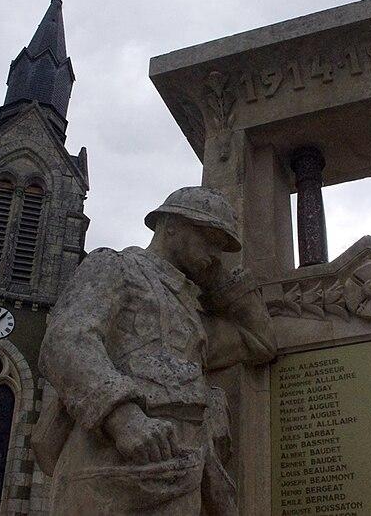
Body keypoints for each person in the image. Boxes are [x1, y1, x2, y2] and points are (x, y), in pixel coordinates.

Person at [35, 186, 276, 515]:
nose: (216, 253)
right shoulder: (116, 268)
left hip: (182, 470)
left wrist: (219, 281)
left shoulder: (190, 313)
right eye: (209, 238)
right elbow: (66, 341)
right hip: (111, 463)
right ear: (172, 225)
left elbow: (259, 342)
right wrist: (125, 420)